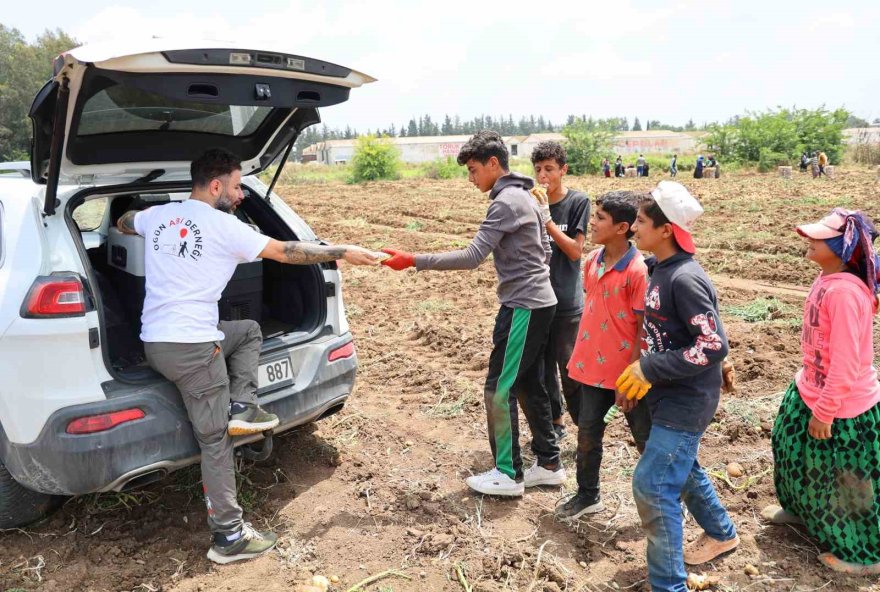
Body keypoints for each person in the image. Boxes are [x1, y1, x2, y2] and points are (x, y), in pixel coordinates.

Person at [117, 148, 379, 564]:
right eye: (237, 186)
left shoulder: (158, 216)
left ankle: (243, 404)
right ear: (217, 185)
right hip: (193, 349)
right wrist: (341, 250)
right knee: (215, 441)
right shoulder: (225, 227)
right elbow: (287, 252)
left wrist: (131, 222)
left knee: (247, 331)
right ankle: (229, 537)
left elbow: (124, 221)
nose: (241, 194)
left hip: (156, 342)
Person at [381, 131, 562, 496]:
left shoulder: (506, 202)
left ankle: (508, 474)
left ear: (494, 164)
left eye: (474, 170)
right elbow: (545, 249)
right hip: (539, 301)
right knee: (526, 383)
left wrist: (414, 260)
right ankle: (548, 463)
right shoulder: (524, 195)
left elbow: (472, 256)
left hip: (523, 307)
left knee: (498, 389)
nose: (471, 178)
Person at [619, 181, 738, 592]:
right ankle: (722, 532)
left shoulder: (684, 278)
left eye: (640, 221)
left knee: (652, 484)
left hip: (687, 398)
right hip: (667, 390)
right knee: (680, 469)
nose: (633, 229)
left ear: (666, 229)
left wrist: (650, 368)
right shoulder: (661, 269)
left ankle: (669, 584)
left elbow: (712, 344)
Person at [763, 209, 880, 576]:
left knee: (847, 479)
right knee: (792, 450)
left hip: (842, 403)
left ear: (843, 249)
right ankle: (803, 510)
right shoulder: (826, 278)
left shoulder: (845, 293)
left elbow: (846, 362)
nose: (809, 240)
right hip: (810, 387)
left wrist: (826, 410)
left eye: (820, 237)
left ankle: (864, 554)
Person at [555, 191, 652, 520]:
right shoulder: (592, 261)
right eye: (593, 216)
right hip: (592, 368)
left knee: (645, 438)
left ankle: (661, 500)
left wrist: (635, 373)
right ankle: (588, 494)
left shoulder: (637, 271)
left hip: (628, 374)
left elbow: (642, 327)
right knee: (587, 433)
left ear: (623, 227)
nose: (592, 223)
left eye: (599, 218)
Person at [530, 141, 591, 439]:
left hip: (566, 300)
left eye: (550, 169)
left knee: (570, 368)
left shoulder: (578, 202)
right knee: (542, 369)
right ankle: (556, 421)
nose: (543, 176)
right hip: (538, 299)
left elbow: (575, 251)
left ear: (563, 170)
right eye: (539, 169)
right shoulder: (529, 202)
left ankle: (586, 427)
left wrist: (547, 219)